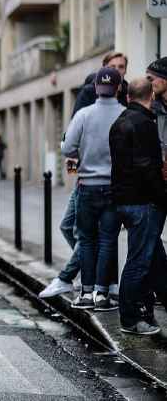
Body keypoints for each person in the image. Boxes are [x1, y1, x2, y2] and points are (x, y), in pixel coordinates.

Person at [40, 52, 129, 299]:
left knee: (93, 238)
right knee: (79, 231)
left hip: (102, 184)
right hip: (91, 181)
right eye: (114, 66)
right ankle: (102, 284)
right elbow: (71, 142)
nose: (118, 70)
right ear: (103, 70)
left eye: (122, 66)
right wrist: (74, 174)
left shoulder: (126, 96)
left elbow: (67, 144)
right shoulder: (90, 94)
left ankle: (81, 283)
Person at [60, 67, 125, 311]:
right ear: (118, 88)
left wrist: (82, 153)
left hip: (87, 186)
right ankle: (102, 293)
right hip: (113, 187)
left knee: (87, 240)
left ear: (96, 88)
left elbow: (67, 149)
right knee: (108, 240)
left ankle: (85, 293)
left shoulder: (84, 115)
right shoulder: (125, 114)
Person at [109, 76, 167, 335]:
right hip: (142, 202)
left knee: (155, 259)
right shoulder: (144, 123)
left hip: (123, 200)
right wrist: (162, 197)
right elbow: (147, 168)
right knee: (138, 263)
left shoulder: (119, 122)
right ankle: (130, 319)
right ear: (151, 97)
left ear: (128, 96)